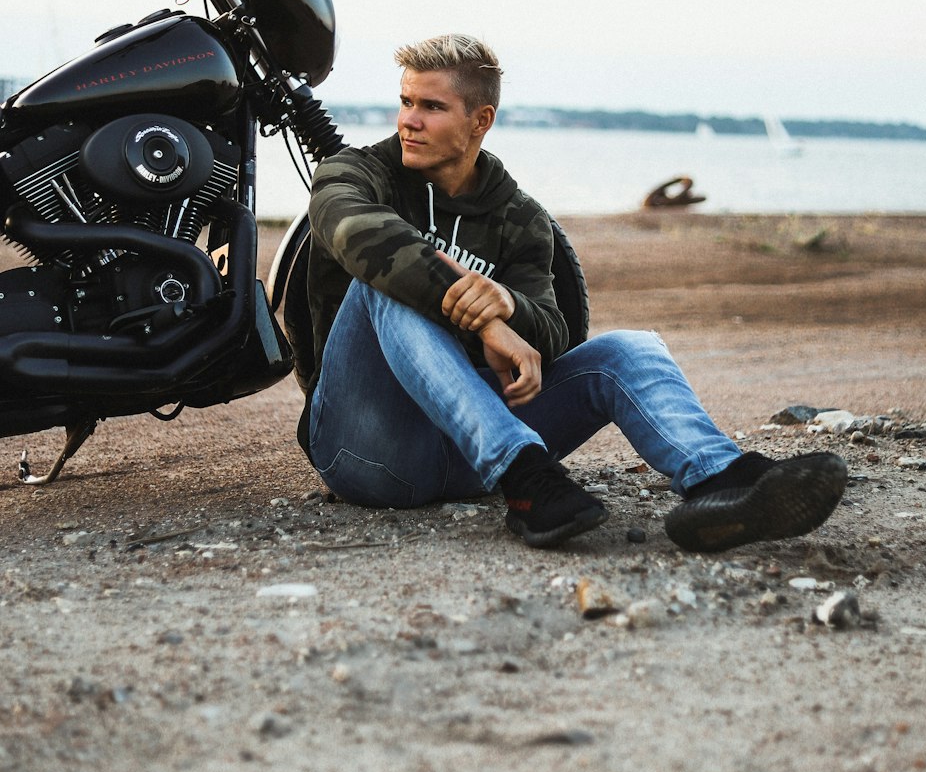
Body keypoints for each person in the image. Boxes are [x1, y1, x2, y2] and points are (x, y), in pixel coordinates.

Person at [300, 34, 846, 552]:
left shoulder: (521, 219)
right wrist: (486, 323)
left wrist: (511, 306)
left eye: (432, 107)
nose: (408, 121)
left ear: (480, 120)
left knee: (628, 348)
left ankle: (723, 480)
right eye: (405, 101)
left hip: (466, 459)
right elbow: (353, 231)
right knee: (387, 283)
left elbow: (555, 334)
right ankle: (527, 478)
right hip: (369, 449)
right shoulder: (357, 174)